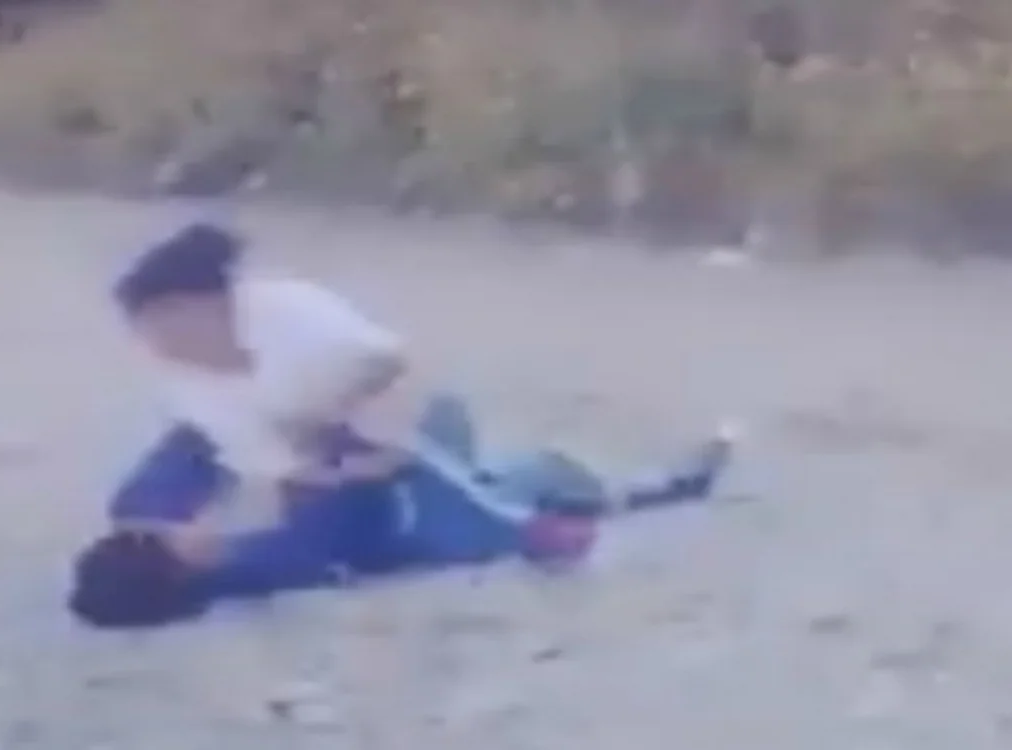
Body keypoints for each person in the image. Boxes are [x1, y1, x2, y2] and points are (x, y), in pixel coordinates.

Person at [67, 222, 734, 628]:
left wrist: (348, 446)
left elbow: (397, 380)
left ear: (198, 307)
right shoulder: (250, 542)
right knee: (495, 503)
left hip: (402, 422)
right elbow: (288, 480)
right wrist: (332, 469)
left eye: (156, 325)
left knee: (461, 485)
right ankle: (585, 501)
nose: (152, 345)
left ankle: (583, 498)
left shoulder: (294, 318)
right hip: (365, 488)